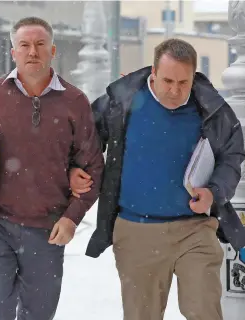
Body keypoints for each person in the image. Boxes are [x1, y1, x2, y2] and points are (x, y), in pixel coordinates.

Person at [70, 38, 245, 320]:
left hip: (195, 229)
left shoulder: (211, 107)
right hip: (137, 231)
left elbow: (232, 154)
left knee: (204, 310)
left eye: (183, 82)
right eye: (168, 81)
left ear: (194, 76)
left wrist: (214, 191)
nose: (175, 90)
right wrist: (75, 167)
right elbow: (83, 137)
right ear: (153, 71)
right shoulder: (122, 101)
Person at [0, 16, 104, 320]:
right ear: (13, 51)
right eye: (25, 45)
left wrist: (72, 217)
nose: (33, 51)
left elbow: (93, 166)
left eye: (40, 44)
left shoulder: (74, 101)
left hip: (48, 227)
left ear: (52, 51)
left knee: (39, 313)